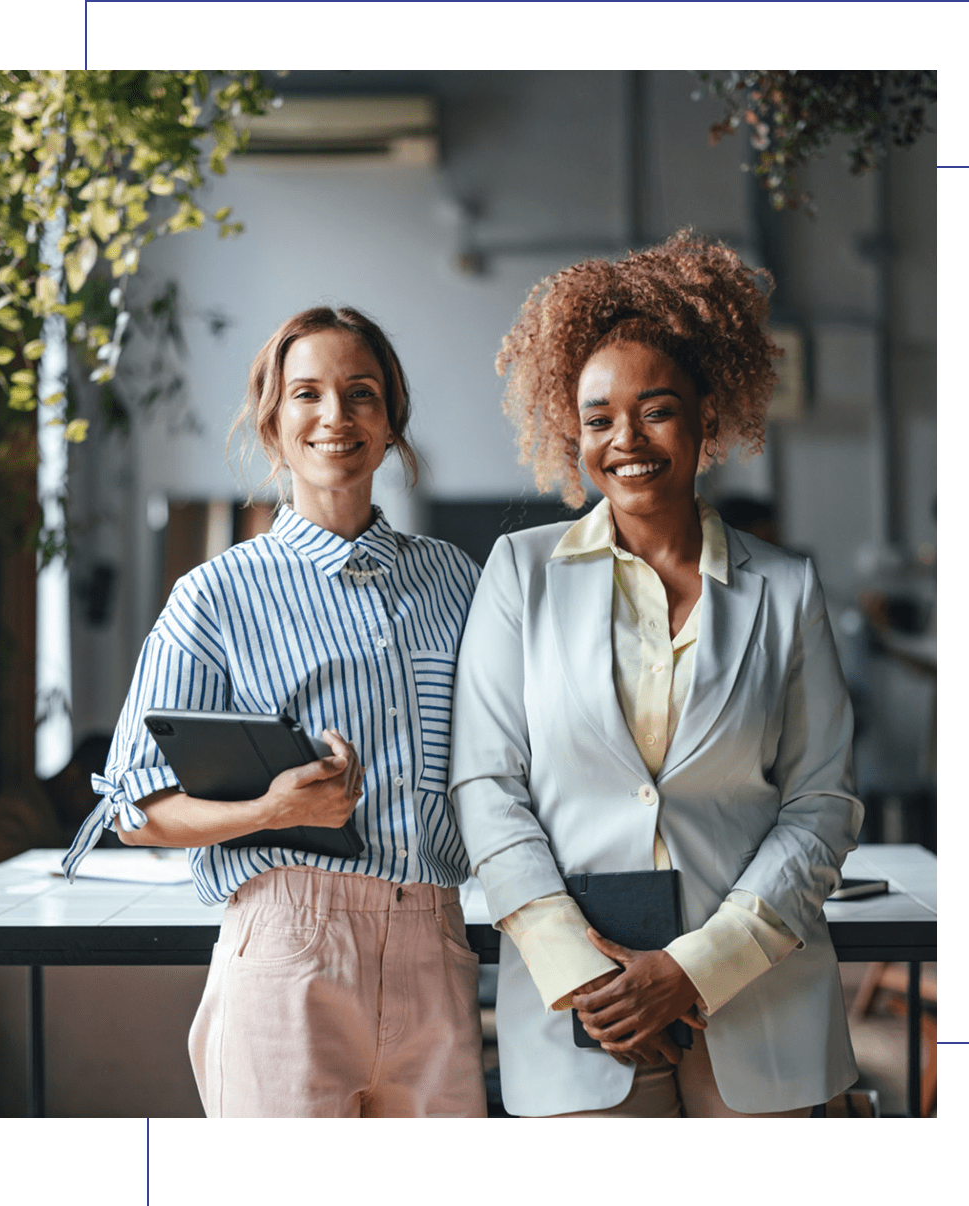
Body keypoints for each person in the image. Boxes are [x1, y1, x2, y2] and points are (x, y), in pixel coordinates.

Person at [449, 232, 864, 1118]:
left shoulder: (787, 591)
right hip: (582, 1015)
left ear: (707, 415)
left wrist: (693, 969)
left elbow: (821, 803)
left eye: (657, 409)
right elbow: (487, 787)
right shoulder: (517, 574)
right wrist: (585, 972)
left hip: (763, 1006)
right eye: (598, 418)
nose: (625, 440)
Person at [63, 307, 487, 1118]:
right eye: (307, 394)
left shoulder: (454, 581)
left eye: (361, 393)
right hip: (289, 944)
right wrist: (271, 809)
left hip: (436, 938)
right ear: (273, 423)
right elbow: (131, 810)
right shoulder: (215, 594)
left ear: (392, 419)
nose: (336, 416)